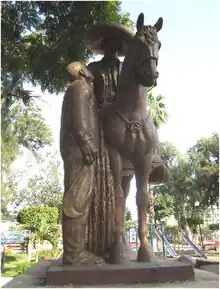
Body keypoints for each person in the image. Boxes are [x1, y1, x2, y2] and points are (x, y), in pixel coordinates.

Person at [85, 23, 169, 203]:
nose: (112, 49)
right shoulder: (93, 68)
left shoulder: (126, 67)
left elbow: (138, 83)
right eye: (109, 44)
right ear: (103, 46)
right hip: (102, 110)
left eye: (116, 46)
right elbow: (86, 86)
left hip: (124, 109)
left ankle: (155, 158)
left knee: (147, 120)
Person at [60, 61, 104, 264]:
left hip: (80, 150)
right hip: (79, 151)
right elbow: (78, 117)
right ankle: (73, 253)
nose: (89, 69)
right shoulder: (79, 87)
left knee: (81, 199)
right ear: (80, 71)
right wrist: (86, 142)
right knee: (76, 201)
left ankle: (76, 250)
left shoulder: (82, 88)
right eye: (84, 66)